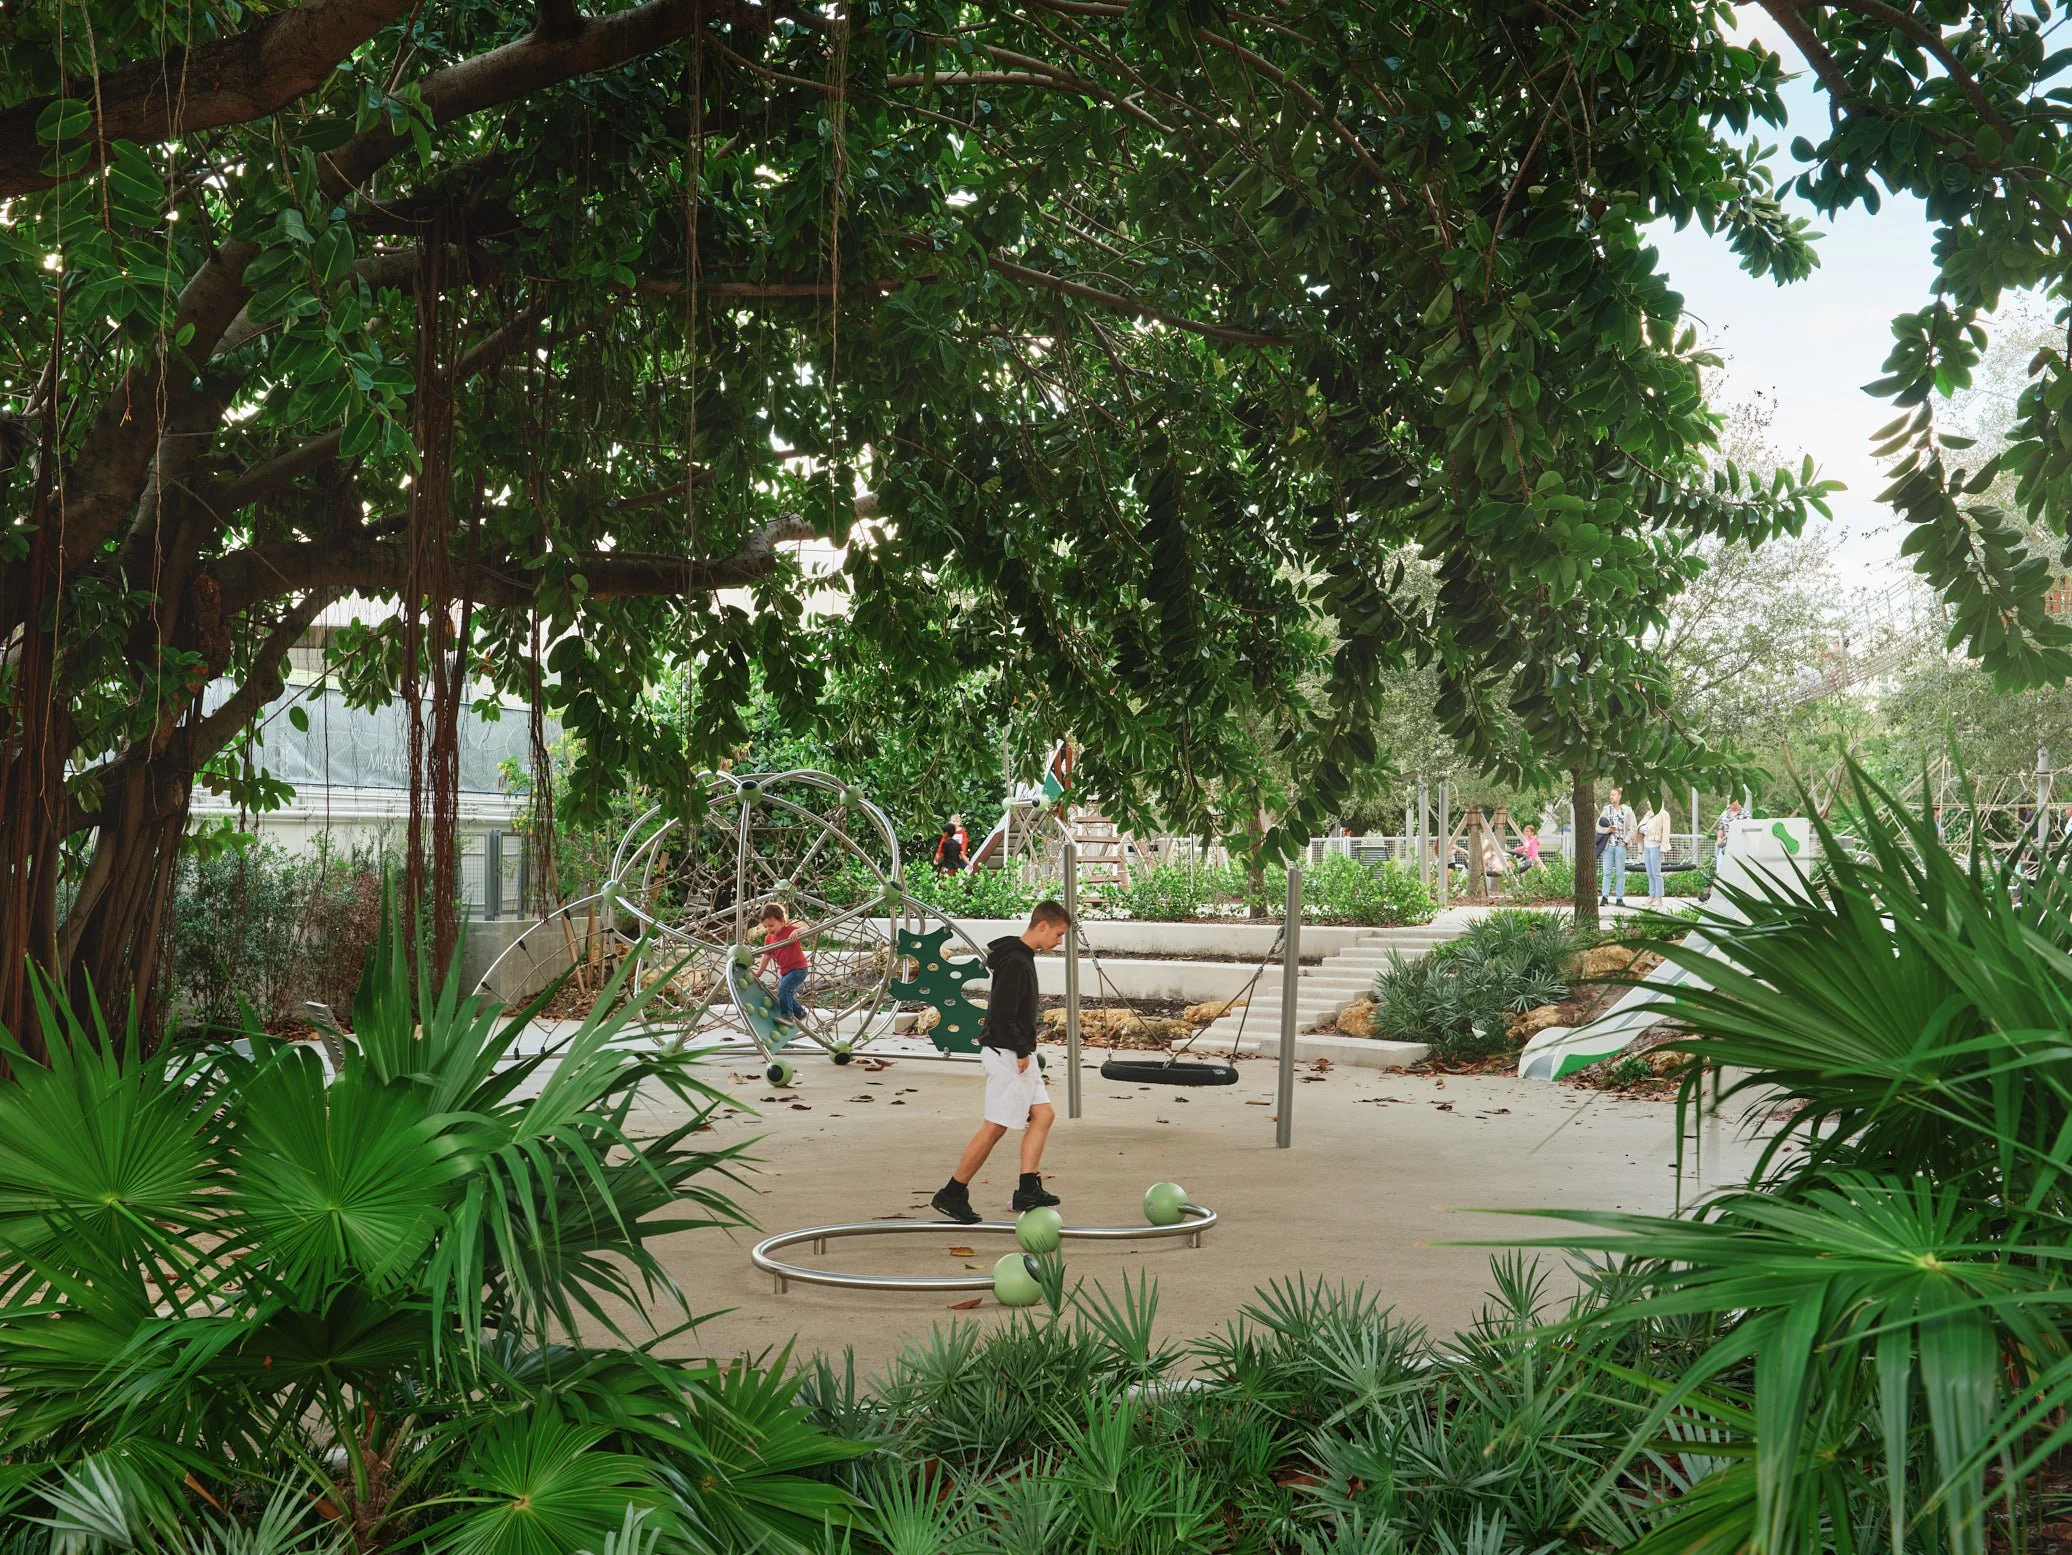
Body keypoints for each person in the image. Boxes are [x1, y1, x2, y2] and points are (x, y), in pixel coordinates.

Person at [932, 900, 1073, 1224]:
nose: (1059, 941)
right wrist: (1022, 1051)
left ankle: (1027, 1187)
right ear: (1042, 925)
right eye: (1059, 933)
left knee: (1043, 1114)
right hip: (1008, 1053)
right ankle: (953, 1193)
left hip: (1017, 1051)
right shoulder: (1015, 962)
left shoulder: (1020, 957)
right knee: (994, 1127)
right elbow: (1001, 1014)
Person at [753, 903, 810, 1025]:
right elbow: (766, 956)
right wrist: (759, 972)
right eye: (766, 926)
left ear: (782, 921)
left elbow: (807, 929)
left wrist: (797, 932)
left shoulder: (789, 930)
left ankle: (787, 1016)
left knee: (784, 988)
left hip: (798, 969)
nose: (769, 929)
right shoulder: (769, 938)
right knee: (783, 991)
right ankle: (800, 1012)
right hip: (785, 971)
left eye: (772, 925)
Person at [1597, 786, 1636, 907]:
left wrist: (1626, 841)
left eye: (1614, 795)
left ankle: (1619, 898)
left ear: (1620, 796)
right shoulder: (1606, 810)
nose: (1611, 797)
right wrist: (1608, 829)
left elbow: (1633, 828)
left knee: (1620, 872)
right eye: (1610, 795)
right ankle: (1604, 897)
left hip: (1620, 845)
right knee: (1607, 872)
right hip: (1609, 845)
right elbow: (1598, 827)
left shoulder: (1628, 810)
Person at [1639, 801, 1672, 908]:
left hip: (1656, 846)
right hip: (1647, 845)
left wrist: (1664, 847)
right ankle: (1652, 895)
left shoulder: (1663, 814)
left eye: (1650, 800)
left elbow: (1666, 832)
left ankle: (1659, 897)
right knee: (1649, 873)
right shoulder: (1648, 814)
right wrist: (1644, 829)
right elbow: (1641, 827)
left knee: (1656, 872)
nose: (1648, 802)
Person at [1715, 797, 1747, 869]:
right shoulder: (1724, 814)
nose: (1730, 801)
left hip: (1740, 847)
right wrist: (1719, 838)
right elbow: (1721, 828)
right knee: (1720, 867)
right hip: (1725, 846)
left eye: (1732, 799)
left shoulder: (1745, 814)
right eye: (1728, 799)